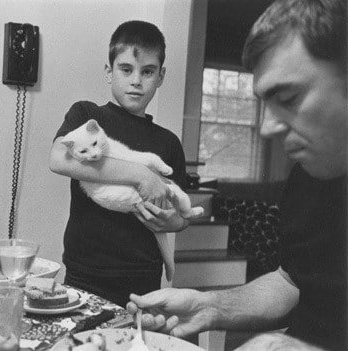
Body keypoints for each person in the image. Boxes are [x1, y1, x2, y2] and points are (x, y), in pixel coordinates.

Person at [126, 0, 347, 349]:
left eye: (288, 97)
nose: (267, 127)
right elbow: (291, 282)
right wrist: (209, 306)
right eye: (264, 105)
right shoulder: (307, 177)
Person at [49, 20, 193, 307]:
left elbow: (181, 216)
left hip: (144, 279)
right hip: (85, 276)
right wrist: (141, 175)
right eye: (126, 69)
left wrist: (173, 222)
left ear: (161, 76)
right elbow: (58, 159)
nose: (136, 80)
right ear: (109, 71)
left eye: (148, 71)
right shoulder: (86, 115)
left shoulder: (169, 143)